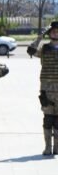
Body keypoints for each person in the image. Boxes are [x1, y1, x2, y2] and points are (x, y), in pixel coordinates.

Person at [27, 21, 58, 156]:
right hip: (47, 89)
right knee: (48, 119)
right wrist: (40, 37)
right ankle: (47, 147)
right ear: (49, 34)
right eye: (53, 31)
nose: (56, 33)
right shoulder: (44, 49)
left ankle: (56, 148)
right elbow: (31, 50)